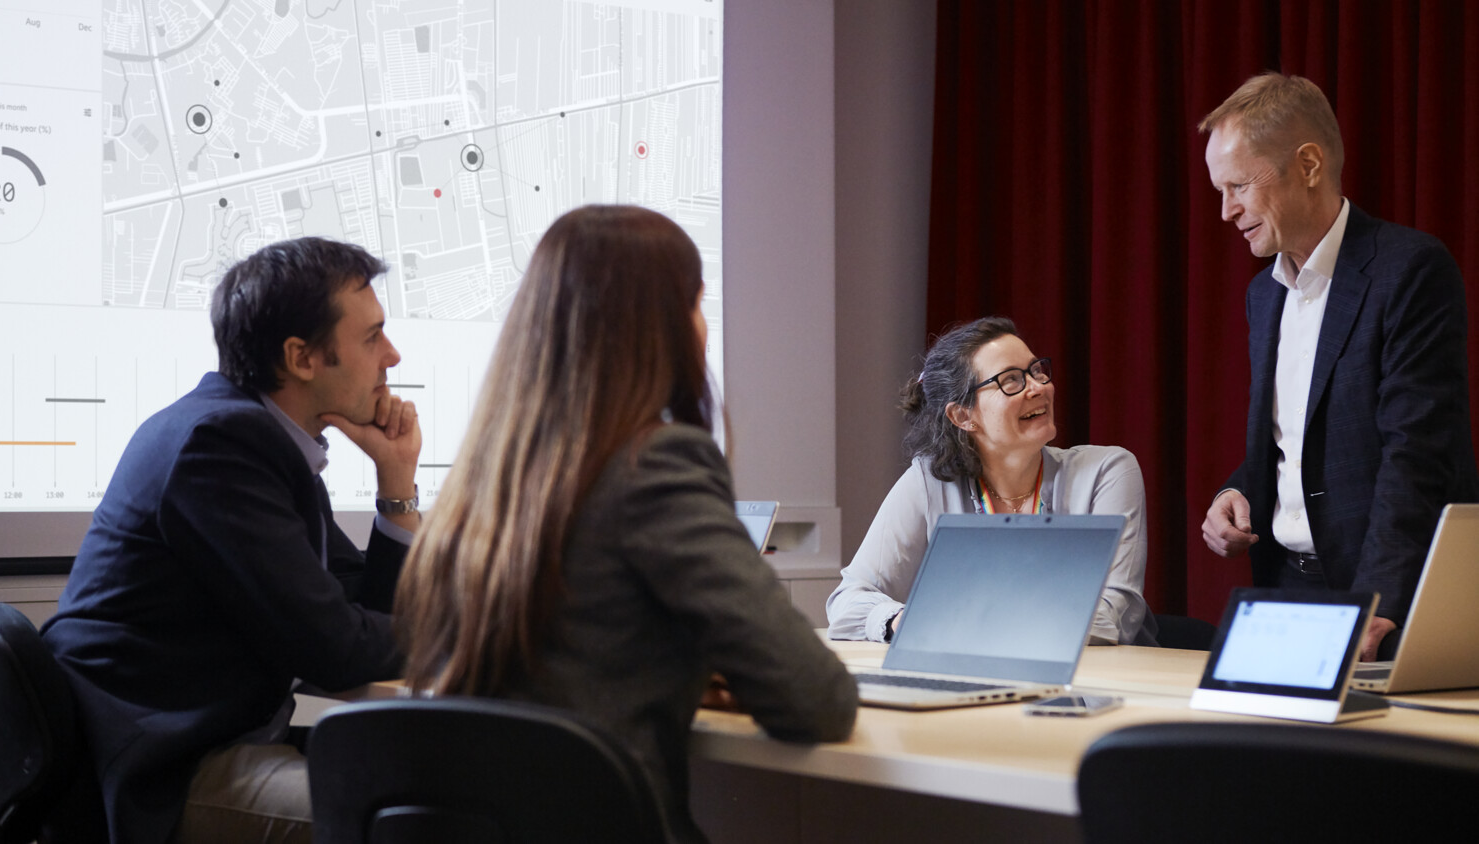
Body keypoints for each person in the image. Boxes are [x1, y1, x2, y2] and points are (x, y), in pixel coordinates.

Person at [397, 204, 857, 844]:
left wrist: (686, 671)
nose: (702, 328)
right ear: (661, 325)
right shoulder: (657, 464)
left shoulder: (480, 484)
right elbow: (819, 700)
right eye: (698, 305)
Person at [42, 237, 422, 844]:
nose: (393, 356)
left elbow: (357, 609)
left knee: (445, 786)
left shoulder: (259, 436)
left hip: (207, 735)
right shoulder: (219, 447)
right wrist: (471, 628)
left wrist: (396, 479)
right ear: (302, 357)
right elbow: (337, 648)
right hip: (164, 767)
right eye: (372, 337)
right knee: (430, 819)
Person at [1198, 72, 1477, 661]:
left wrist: (1374, 604)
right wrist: (1239, 488)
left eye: (1239, 185)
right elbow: (1297, 438)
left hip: (1384, 600)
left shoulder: (1410, 271)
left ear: (1308, 164)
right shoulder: (1263, 294)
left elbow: (1416, 457)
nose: (1226, 211)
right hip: (1285, 589)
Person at [827, 317, 1157, 646]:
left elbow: (1116, 613)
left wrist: (958, 623)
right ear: (963, 416)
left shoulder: (1106, 471)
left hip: (1096, 685)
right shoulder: (929, 482)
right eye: (1011, 380)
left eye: (1036, 370)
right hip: (977, 678)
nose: (1038, 387)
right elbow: (846, 604)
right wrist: (903, 620)